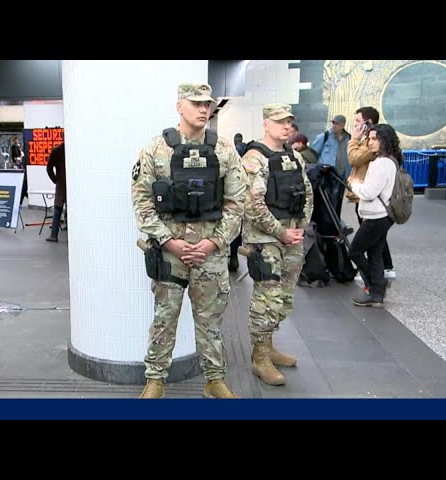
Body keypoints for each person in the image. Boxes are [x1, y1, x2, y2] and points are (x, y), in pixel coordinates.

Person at [131, 83, 247, 399]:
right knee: (164, 319)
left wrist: (214, 243)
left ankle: (214, 379)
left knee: (210, 321)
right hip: (170, 254)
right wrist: (169, 241)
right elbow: (141, 199)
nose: (203, 109)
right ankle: (155, 380)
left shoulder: (224, 150)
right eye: (195, 103)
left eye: (207, 104)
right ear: (180, 105)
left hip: (210, 253)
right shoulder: (156, 149)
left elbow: (237, 202)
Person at [241, 103, 313, 386]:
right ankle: (260, 357)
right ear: (266, 124)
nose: (286, 126)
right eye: (280, 121)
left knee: (283, 297)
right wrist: (281, 231)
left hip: (292, 235)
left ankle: (269, 345)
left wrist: (301, 226)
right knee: (266, 298)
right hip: (266, 239)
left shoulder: (295, 156)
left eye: (289, 122)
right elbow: (253, 205)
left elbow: (307, 192)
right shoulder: (254, 158)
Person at [347, 124, 399, 308]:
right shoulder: (389, 161)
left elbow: (368, 193)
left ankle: (377, 285)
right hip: (382, 216)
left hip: (376, 216)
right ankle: (376, 294)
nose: (371, 142)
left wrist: (354, 184)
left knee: (355, 251)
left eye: (375, 138)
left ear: (385, 140)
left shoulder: (381, 163)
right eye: (369, 138)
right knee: (375, 254)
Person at [310, 114, 351, 179]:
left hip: (343, 177)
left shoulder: (349, 138)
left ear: (343, 125)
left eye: (337, 124)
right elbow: (313, 155)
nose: (334, 126)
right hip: (326, 176)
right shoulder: (324, 136)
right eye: (333, 123)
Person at [45, 141, 66, 242]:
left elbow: (49, 168)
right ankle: (72, 233)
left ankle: (54, 235)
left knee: (58, 209)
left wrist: (55, 180)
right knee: (73, 210)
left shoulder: (56, 151)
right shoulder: (75, 150)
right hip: (73, 185)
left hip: (61, 184)